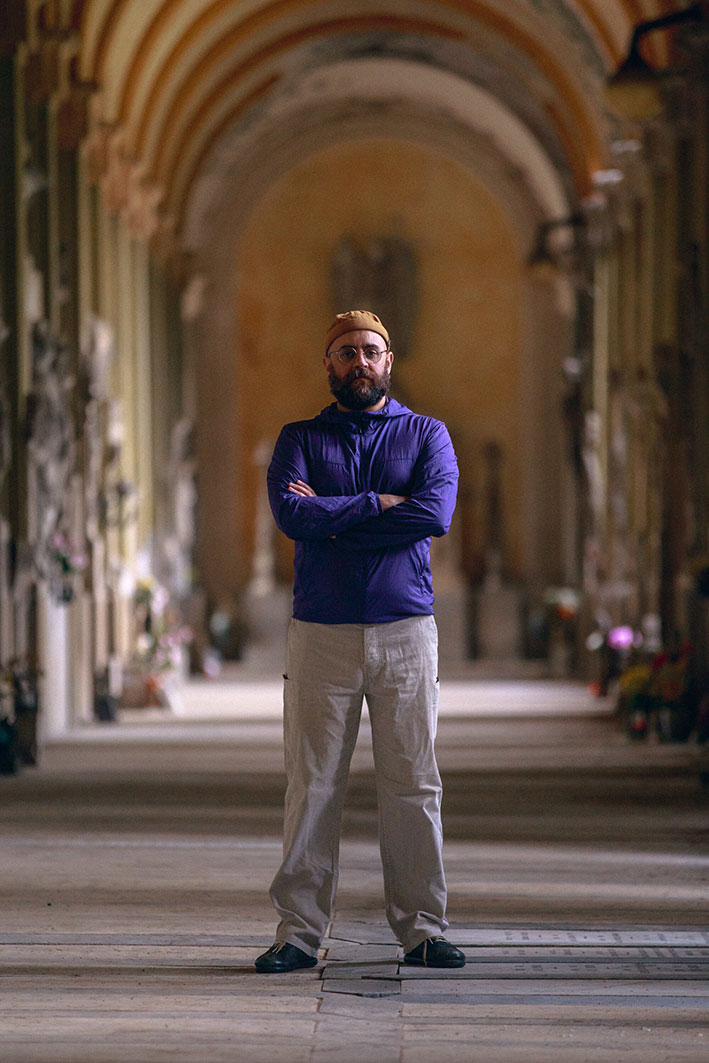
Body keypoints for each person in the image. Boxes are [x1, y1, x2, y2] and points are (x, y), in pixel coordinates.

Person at [255, 310, 464, 973]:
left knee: (412, 783)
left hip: (406, 630)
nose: (359, 362)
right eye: (346, 352)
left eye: (370, 351)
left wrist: (335, 515)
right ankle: (298, 931)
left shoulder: (427, 434)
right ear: (328, 364)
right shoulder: (299, 437)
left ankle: (422, 928)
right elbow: (291, 514)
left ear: (389, 360)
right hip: (321, 631)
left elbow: (433, 514)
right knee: (311, 783)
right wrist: (378, 505)